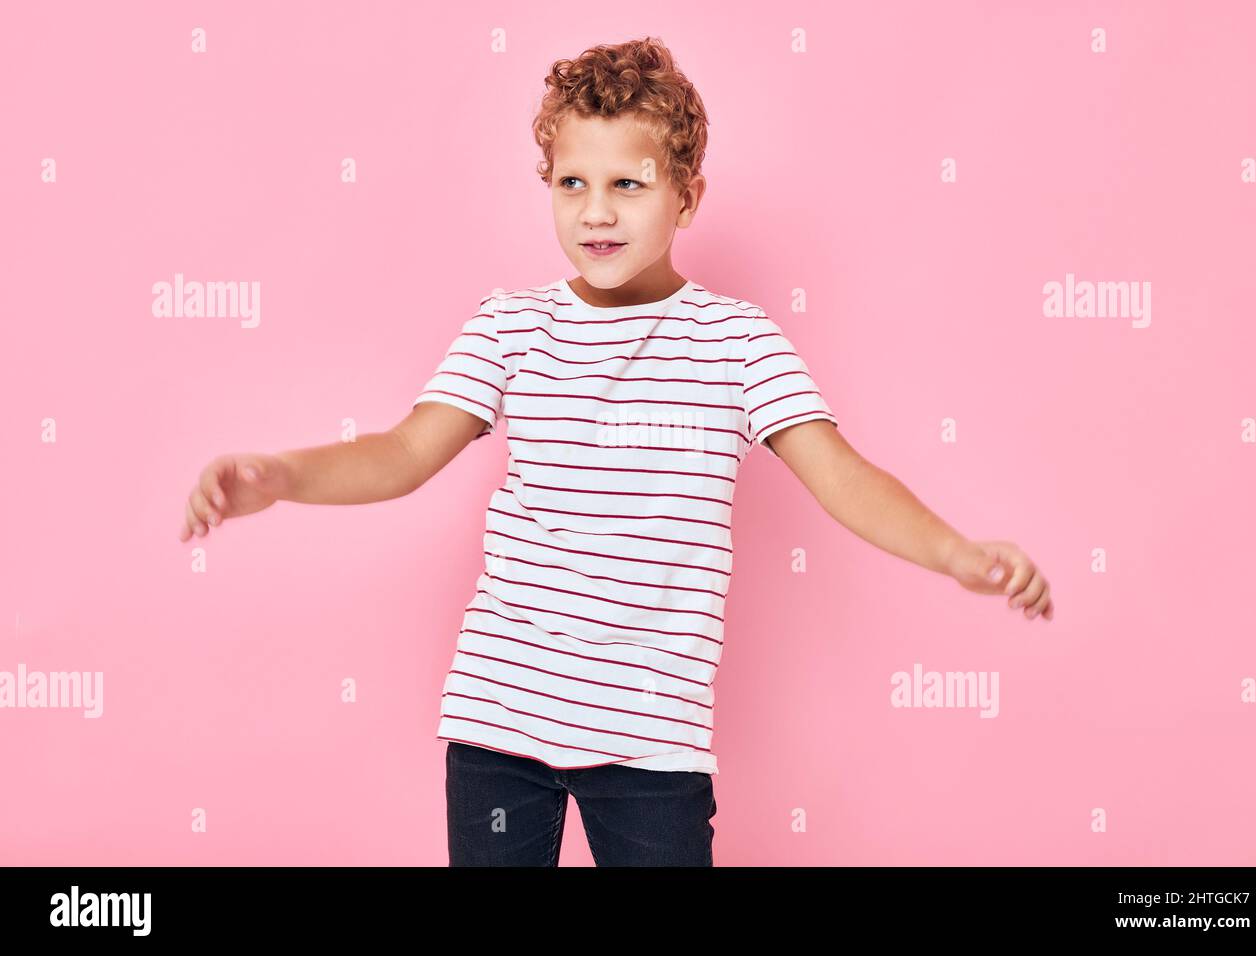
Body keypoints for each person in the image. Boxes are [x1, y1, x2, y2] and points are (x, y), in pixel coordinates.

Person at [178, 36, 1053, 867]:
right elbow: (404, 452)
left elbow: (843, 476)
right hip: (500, 720)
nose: (596, 211)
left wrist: (956, 554)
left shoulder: (737, 343)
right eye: (571, 183)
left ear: (687, 195)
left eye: (628, 184)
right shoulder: (511, 326)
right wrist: (279, 476)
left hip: (651, 739)